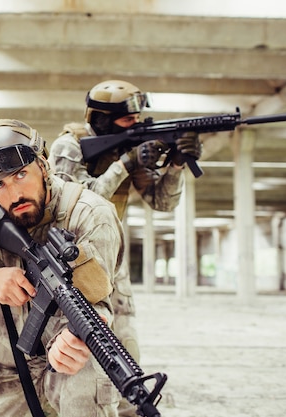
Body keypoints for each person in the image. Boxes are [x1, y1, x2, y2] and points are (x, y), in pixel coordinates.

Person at [0, 119, 125, 417]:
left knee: (88, 368)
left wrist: (73, 339)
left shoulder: (91, 214)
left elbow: (97, 303)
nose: (14, 195)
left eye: (21, 175)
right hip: (7, 366)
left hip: (71, 364)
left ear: (43, 165)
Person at [48, 80, 202, 416]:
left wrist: (175, 166)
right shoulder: (69, 146)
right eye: (126, 119)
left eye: (137, 118)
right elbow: (70, 204)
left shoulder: (128, 148)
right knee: (80, 354)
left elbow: (161, 202)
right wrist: (125, 165)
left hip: (114, 263)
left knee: (127, 349)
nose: (135, 124)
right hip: (72, 260)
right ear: (102, 119)